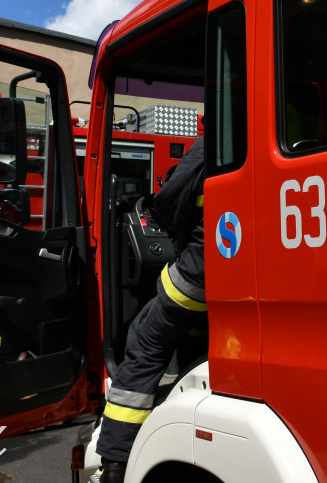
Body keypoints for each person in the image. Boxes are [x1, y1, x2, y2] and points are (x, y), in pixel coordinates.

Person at [96, 135, 206, 483]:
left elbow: (172, 199)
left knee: (146, 342)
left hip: (201, 274)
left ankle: (115, 462)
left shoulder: (222, 134)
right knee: (194, 333)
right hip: (246, 284)